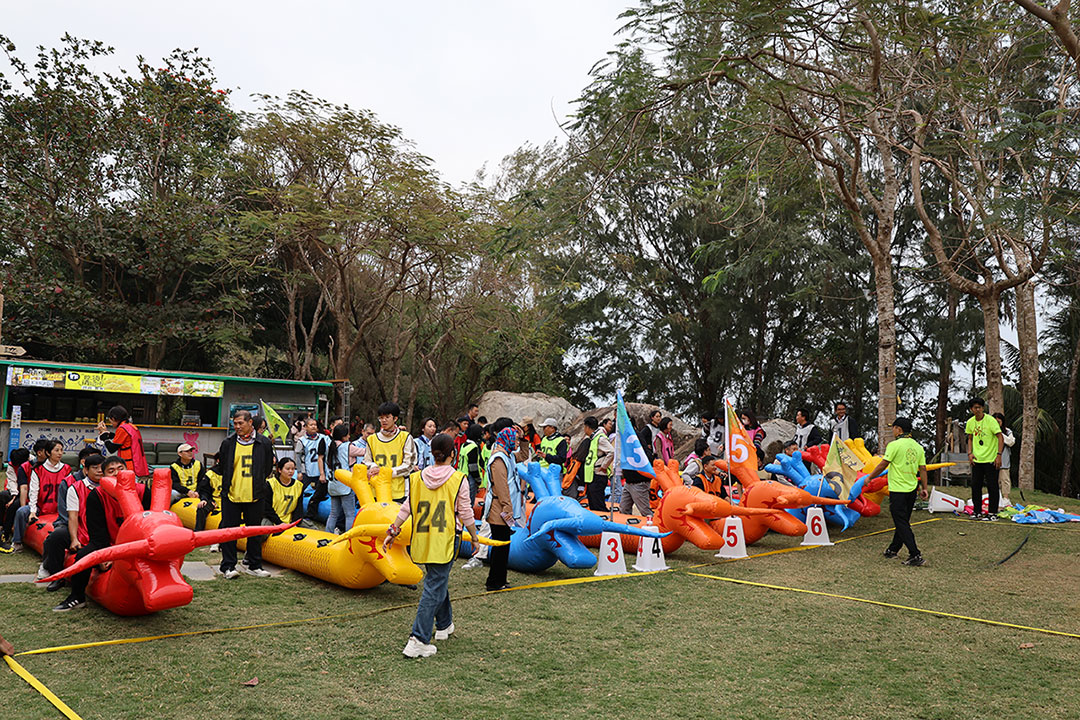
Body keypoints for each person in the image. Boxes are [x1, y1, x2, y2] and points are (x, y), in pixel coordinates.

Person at [382, 433, 479, 658]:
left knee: (437, 579)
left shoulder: (416, 478)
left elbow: (406, 507)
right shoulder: (459, 479)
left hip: (423, 538)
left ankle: (444, 624)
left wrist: (393, 530)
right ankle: (418, 639)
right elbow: (465, 511)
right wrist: (474, 536)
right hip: (446, 538)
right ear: (453, 453)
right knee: (434, 584)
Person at [52, 455, 152, 611]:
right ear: (104, 477)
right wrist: (108, 555)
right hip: (108, 542)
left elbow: (149, 524)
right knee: (83, 556)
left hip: (137, 542)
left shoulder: (143, 491)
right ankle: (77, 597)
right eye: (111, 471)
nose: (117, 473)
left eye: (120, 469)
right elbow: (97, 533)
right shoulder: (97, 495)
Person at [217, 410, 276, 579]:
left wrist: (258, 483)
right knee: (230, 532)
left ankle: (254, 565)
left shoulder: (264, 443)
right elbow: (223, 467)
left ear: (250, 423)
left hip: (255, 495)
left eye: (240, 423)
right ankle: (228, 566)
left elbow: (267, 467)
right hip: (232, 495)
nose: (237, 427)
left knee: (254, 532)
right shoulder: (228, 443)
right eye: (234, 423)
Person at [865, 417, 929, 566]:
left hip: (898, 490)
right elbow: (923, 469)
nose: (892, 431)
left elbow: (883, 464)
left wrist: (870, 477)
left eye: (893, 428)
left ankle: (915, 554)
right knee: (903, 521)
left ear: (898, 429)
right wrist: (925, 488)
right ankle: (892, 550)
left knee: (901, 522)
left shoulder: (894, 445)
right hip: (912, 489)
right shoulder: (918, 447)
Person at [41, 451, 104, 592]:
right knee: (56, 537)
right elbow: (72, 516)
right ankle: (57, 576)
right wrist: (75, 538)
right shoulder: (74, 487)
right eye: (95, 467)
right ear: (86, 469)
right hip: (79, 526)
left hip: (101, 530)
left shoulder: (110, 487)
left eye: (102, 467)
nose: (99, 471)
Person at [12, 440, 72, 553]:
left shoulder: (66, 469)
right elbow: (33, 491)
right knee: (21, 511)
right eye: (57, 450)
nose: (60, 453)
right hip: (41, 506)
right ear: (48, 453)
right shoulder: (38, 470)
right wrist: (32, 511)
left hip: (60, 508)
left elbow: (70, 492)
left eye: (61, 450)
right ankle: (17, 542)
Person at [483, 424, 522, 592]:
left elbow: (524, 455)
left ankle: (500, 579)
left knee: (504, 545)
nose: (517, 442)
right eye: (516, 439)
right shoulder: (499, 459)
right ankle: (493, 581)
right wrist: (508, 508)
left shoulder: (508, 455)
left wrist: (524, 438)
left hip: (505, 508)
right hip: (499, 509)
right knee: (500, 545)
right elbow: (501, 487)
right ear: (508, 439)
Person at [365, 402, 417, 504]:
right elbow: (366, 461)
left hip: (398, 492)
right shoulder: (372, 439)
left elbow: (409, 465)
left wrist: (387, 472)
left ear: (395, 418)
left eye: (387, 417)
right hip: (376, 491)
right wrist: (373, 467)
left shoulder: (405, 437)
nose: (384, 420)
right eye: (381, 418)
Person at [965, 398, 1003, 520]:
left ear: (983, 408)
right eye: (975, 408)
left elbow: (1000, 437)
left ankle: (992, 513)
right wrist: (970, 453)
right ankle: (977, 511)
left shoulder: (990, 421)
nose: (977, 410)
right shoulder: (970, 422)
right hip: (977, 460)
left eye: (979, 407)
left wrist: (998, 455)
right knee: (975, 486)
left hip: (991, 459)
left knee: (992, 486)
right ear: (971, 409)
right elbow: (970, 438)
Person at [95, 406, 149, 477]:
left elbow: (112, 449)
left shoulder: (122, 429)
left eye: (111, 421)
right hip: (136, 463)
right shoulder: (130, 426)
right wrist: (107, 434)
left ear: (113, 419)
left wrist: (105, 437)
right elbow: (122, 439)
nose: (111, 424)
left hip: (128, 466)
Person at [326, 424, 358, 533]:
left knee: (333, 513)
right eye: (347, 435)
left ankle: (327, 534)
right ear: (343, 436)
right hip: (345, 485)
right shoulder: (347, 447)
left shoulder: (330, 446)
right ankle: (349, 537)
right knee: (349, 514)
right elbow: (364, 452)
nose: (349, 437)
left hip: (333, 485)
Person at [297, 417, 329, 523]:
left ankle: (311, 515)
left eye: (315, 424)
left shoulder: (323, 438)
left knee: (318, 495)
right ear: (305, 427)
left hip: (321, 471)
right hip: (307, 471)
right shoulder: (302, 441)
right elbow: (298, 457)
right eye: (311, 425)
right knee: (299, 493)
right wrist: (299, 472)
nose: (314, 427)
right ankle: (297, 515)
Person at [619, 425, 655, 517]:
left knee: (645, 511)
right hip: (629, 481)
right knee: (624, 508)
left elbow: (647, 455)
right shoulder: (625, 437)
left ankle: (655, 524)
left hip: (639, 482)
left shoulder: (636, 436)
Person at [1, 448, 31, 551]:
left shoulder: (32, 464)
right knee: (2, 496)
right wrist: (14, 496)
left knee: (13, 506)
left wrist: (14, 500)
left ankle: (6, 532)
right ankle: (1, 526)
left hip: (28, 491)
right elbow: (12, 481)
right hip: (16, 490)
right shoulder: (11, 466)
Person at [580, 416, 614, 511]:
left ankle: (604, 519)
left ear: (587, 427)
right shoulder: (593, 438)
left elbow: (611, 452)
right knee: (593, 502)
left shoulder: (600, 438)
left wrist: (604, 466)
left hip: (598, 474)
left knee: (597, 503)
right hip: (592, 475)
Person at [264, 457, 304, 527]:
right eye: (288, 469)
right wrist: (279, 523)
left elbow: (299, 509)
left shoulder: (299, 486)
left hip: (290, 520)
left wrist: (294, 523)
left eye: (293, 469)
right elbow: (267, 508)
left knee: (313, 529)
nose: (291, 471)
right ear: (280, 470)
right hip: (271, 519)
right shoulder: (270, 484)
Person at [457, 423, 484, 504]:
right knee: (468, 504)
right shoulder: (473, 447)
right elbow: (473, 466)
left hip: (461, 476)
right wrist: (478, 480)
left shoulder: (464, 445)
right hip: (469, 478)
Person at [993, 412, 1015, 505]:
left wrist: (1000, 434)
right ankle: (996, 498)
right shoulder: (989, 431)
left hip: (1004, 459)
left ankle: (1006, 498)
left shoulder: (1007, 431)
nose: (997, 423)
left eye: (999, 421)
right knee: (994, 480)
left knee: (1005, 479)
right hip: (991, 458)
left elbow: (1011, 442)